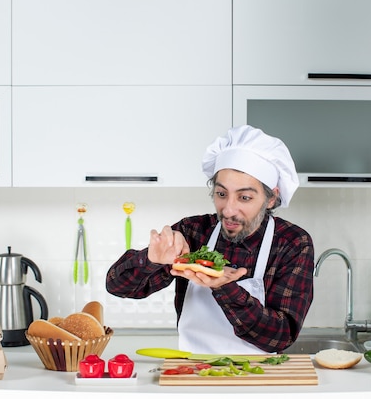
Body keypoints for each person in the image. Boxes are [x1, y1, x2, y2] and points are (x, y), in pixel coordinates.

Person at [105, 125, 314, 354]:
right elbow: (117, 286)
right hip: (193, 373)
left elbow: (280, 337)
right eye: (221, 194)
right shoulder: (194, 231)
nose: (228, 210)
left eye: (244, 197)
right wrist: (151, 259)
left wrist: (225, 287)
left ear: (271, 198)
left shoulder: (292, 243)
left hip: (259, 379)